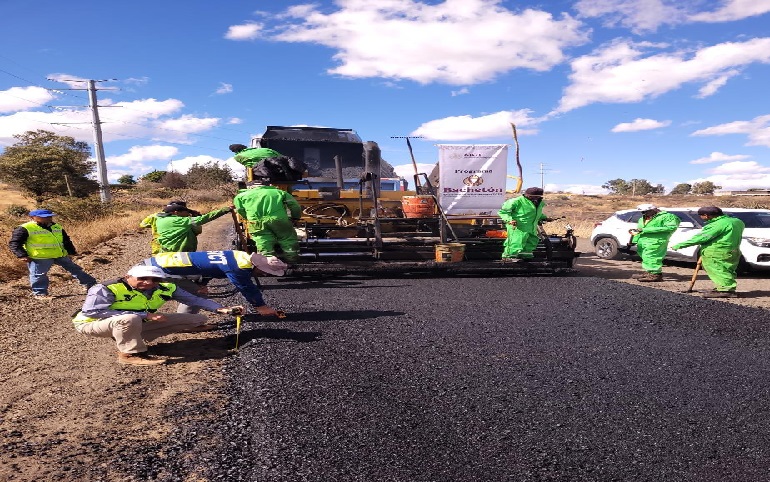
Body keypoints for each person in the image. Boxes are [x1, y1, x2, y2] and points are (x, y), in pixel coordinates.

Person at [72, 265, 245, 366]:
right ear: (128, 276)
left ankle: (130, 335)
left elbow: (194, 300)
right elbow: (92, 312)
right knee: (129, 319)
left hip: (134, 322)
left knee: (198, 319)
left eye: (155, 279)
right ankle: (130, 354)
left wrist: (221, 309)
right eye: (143, 278)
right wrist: (144, 314)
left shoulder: (165, 288)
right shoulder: (106, 288)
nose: (149, 282)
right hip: (92, 323)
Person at [137, 250, 286, 316]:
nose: (264, 275)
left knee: (198, 290)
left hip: (160, 261)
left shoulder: (238, 255)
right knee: (195, 293)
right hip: (159, 270)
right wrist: (261, 306)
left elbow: (211, 266)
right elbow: (247, 288)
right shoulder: (238, 268)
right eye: (264, 272)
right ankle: (187, 322)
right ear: (258, 266)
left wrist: (203, 283)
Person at [9, 209, 96, 300]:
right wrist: (22, 255)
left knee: (76, 269)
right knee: (39, 276)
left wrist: (72, 251)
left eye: (50, 216)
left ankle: (91, 285)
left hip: (60, 255)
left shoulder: (56, 226)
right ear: (33, 217)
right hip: (40, 257)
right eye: (44, 217)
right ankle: (40, 294)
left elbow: (66, 240)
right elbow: (14, 243)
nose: (48, 218)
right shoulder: (24, 228)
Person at [671, 206, 745, 298]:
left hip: (717, 251)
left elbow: (702, 237)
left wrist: (679, 245)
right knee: (727, 269)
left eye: (701, 216)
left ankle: (726, 290)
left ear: (706, 215)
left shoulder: (716, 225)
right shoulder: (737, 221)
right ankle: (723, 287)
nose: (701, 218)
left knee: (718, 270)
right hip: (733, 250)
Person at [233, 180, 302, 262]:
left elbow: (240, 210)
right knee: (287, 239)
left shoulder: (240, 196)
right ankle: (292, 262)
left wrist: (249, 218)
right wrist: (295, 218)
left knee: (263, 241)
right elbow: (295, 206)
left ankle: (268, 262)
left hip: (256, 222)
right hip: (279, 220)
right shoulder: (279, 192)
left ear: (249, 187)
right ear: (267, 185)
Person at [628, 204, 681, 282]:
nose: (643, 213)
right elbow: (639, 230)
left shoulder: (667, 216)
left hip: (656, 241)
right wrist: (634, 241)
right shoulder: (642, 218)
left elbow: (671, 227)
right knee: (646, 257)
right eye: (642, 212)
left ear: (653, 210)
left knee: (652, 257)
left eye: (645, 211)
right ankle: (649, 272)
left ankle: (656, 274)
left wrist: (645, 230)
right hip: (643, 241)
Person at [155, 203, 232, 252]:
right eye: (186, 212)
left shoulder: (160, 219)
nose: (188, 214)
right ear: (176, 212)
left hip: (165, 252)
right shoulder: (181, 221)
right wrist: (224, 210)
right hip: (180, 253)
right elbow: (205, 218)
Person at [498, 187, 549, 260]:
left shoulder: (539, 203)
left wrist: (544, 218)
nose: (535, 198)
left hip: (532, 227)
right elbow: (503, 212)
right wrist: (509, 220)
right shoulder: (516, 201)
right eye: (532, 196)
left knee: (531, 242)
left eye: (537, 196)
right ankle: (509, 257)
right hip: (518, 227)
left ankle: (525, 256)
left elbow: (536, 213)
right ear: (527, 195)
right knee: (516, 242)